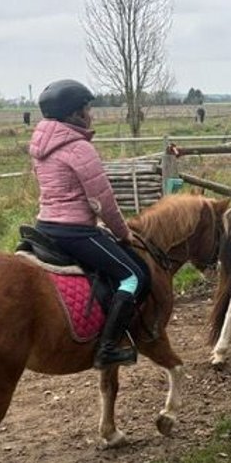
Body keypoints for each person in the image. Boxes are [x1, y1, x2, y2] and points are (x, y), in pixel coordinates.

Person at [29, 79, 149, 367]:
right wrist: (123, 234)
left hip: (45, 226)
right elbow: (103, 201)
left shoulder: (39, 146)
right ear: (73, 114)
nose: (90, 114)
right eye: (86, 108)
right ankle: (107, 348)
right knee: (135, 276)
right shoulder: (79, 148)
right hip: (75, 231)